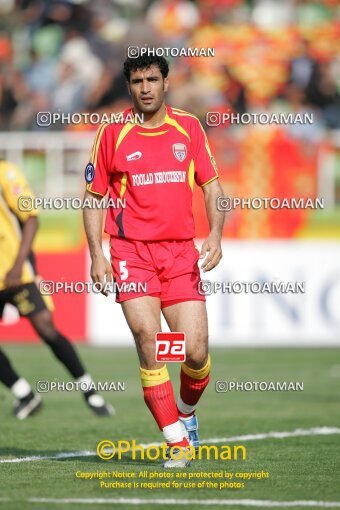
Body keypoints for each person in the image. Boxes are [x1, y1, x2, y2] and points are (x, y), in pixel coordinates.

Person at [83, 55, 224, 467]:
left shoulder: (189, 127)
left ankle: (185, 414)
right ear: (129, 87)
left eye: (153, 80)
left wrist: (215, 233)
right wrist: (97, 253)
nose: (146, 87)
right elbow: (94, 198)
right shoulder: (112, 133)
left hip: (180, 253)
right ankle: (176, 441)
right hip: (131, 252)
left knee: (194, 352)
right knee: (149, 339)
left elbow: (213, 188)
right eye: (138, 81)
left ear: (166, 83)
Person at [0, 159, 113, 419]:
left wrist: (18, 265)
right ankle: (25, 395)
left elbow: (31, 220)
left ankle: (90, 391)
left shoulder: (5, 172)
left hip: (16, 273)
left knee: (46, 328)